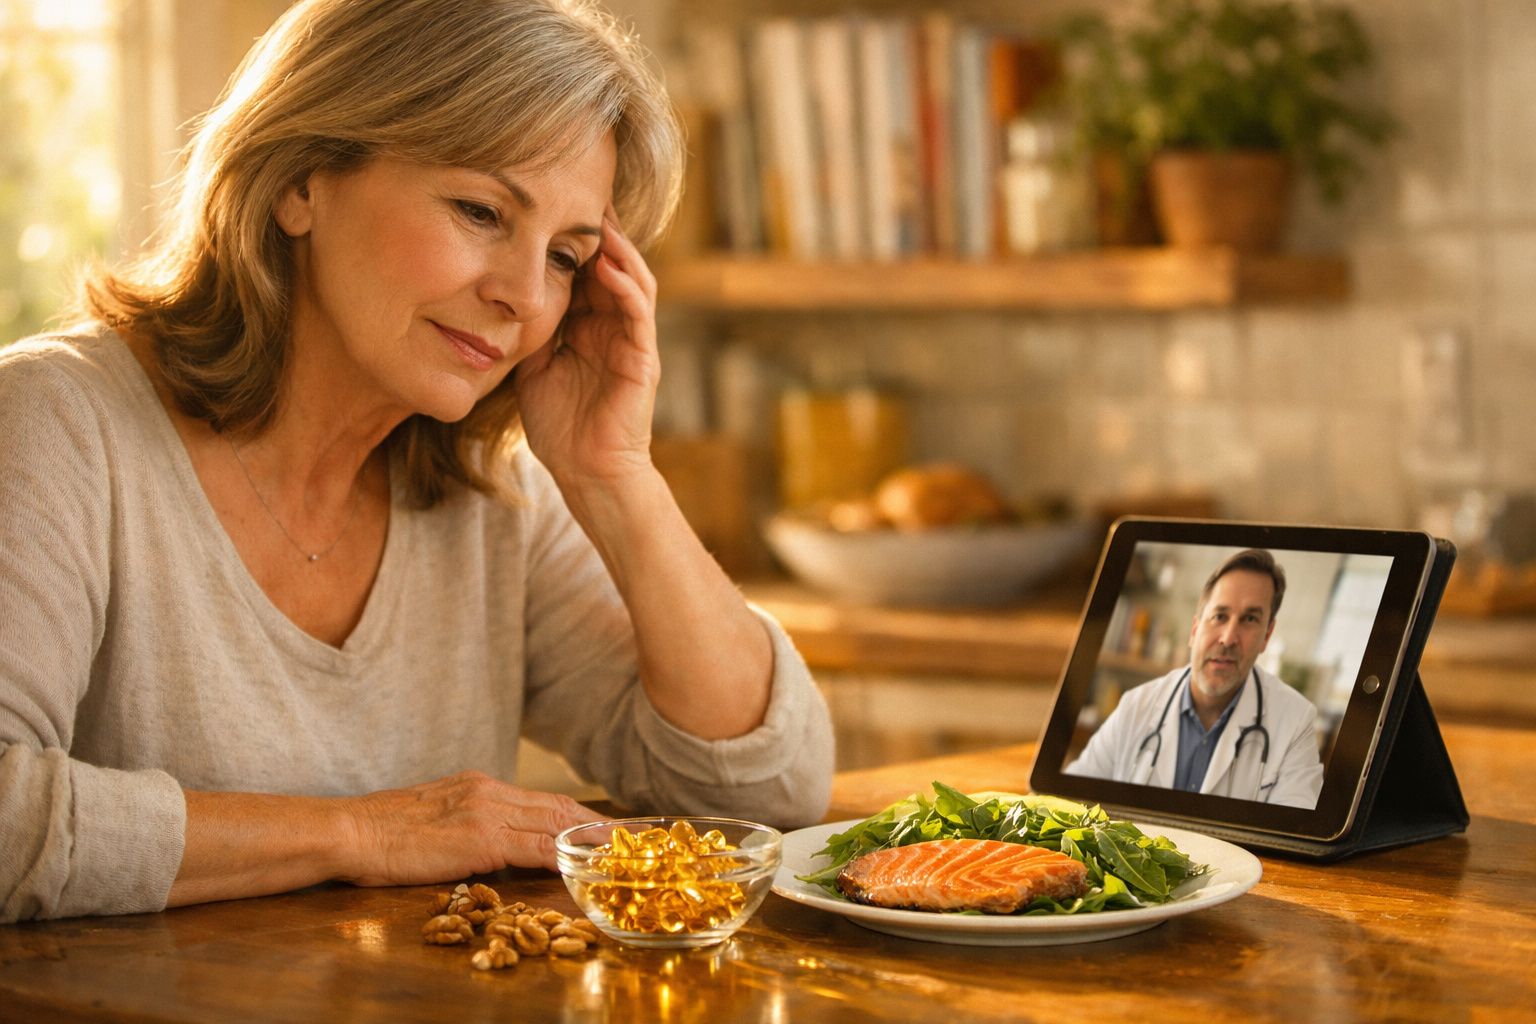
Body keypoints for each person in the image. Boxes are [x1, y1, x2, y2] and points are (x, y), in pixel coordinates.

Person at [0, 0, 834, 923]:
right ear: (300, 180)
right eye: (481, 211)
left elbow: (767, 790)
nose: (525, 296)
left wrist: (616, 474)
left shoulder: (495, 495)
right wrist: (360, 834)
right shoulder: (54, 423)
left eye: (566, 257)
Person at [1065, 549, 1324, 809]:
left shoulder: (1295, 722)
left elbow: (1297, 826)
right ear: (1194, 629)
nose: (1228, 638)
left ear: (1266, 636)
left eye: (1249, 619)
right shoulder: (1135, 705)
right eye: (1219, 616)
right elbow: (1069, 800)